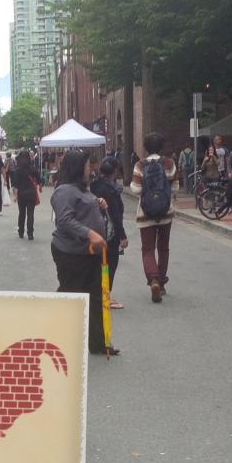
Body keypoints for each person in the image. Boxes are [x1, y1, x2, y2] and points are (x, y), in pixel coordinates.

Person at [50, 150, 116, 356]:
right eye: (88, 166)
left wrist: (99, 204)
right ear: (78, 168)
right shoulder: (64, 191)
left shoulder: (83, 189)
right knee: (71, 295)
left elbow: (84, 208)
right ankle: (57, 339)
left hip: (91, 254)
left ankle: (98, 343)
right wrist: (90, 234)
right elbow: (65, 220)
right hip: (71, 253)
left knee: (95, 297)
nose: (91, 169)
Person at [129, 132, 177, 303]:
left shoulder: (140, 165)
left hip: (145, 213)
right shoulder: (169, 162)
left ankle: (153, 279)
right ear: (161, 146)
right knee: (164, 248)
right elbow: (175, 186)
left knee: (148, 249)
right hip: (165, 212)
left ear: (146, 148)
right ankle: (162, 283)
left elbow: (135, 189)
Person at [90, 156, 128, 309]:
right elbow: (115, 215)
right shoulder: (110, 190)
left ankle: (98, 293)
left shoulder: (94, 185)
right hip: (109, 233)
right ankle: (106, 295)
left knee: (99, 263)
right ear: (115, 171)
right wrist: (123, 236)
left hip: (94, 229)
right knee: (109, 264)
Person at [11, 150, 43, 239]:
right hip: (31, 193)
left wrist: (15, 196)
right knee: (30, 214)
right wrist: (40, 188)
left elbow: (15, 185)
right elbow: (39, 180)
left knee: (21, 213)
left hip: (21, 194)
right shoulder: (33, 168)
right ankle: (30, 233)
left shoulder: (17, 170)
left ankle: (21, 232)